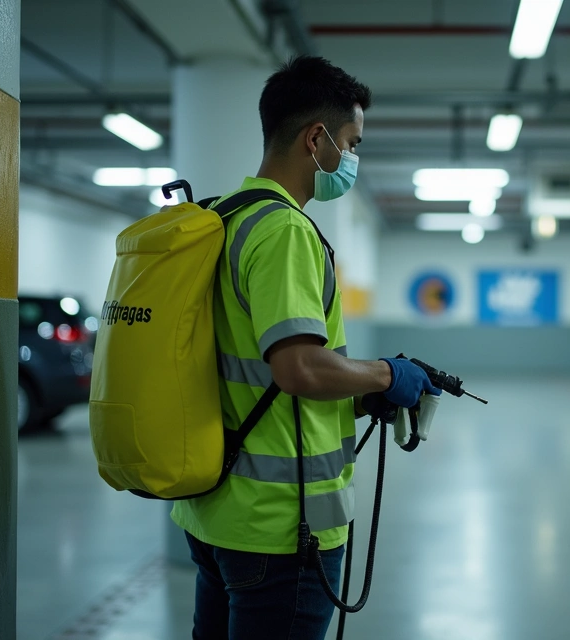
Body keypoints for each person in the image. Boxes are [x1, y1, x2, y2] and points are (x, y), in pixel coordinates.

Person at [169, 55, 440, 640]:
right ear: (317, 140)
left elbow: (251, 366)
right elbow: (296, 368)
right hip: (282, 525)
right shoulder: (285, 230)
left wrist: (358, 395)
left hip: (216, 511)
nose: (352, 158)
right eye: (351, 141)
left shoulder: (224, 217)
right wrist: (385, 375)